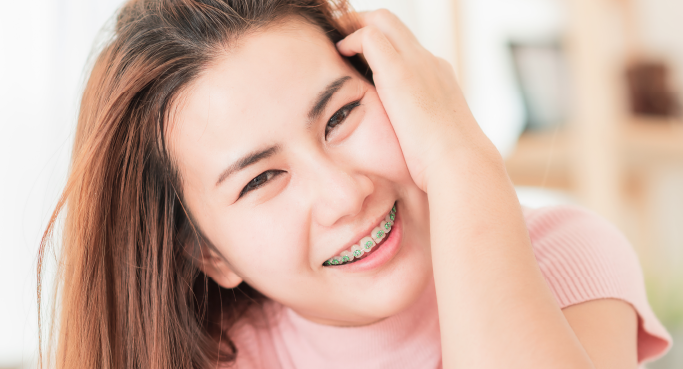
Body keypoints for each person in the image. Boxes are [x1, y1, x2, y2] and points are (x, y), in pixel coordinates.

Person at [38, 0, 671, 368]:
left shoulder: (564, 259)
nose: (346, 195)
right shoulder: (229, 356)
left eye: (342, 115)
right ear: (207, 254)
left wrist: (462, 157)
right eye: (261, 178)